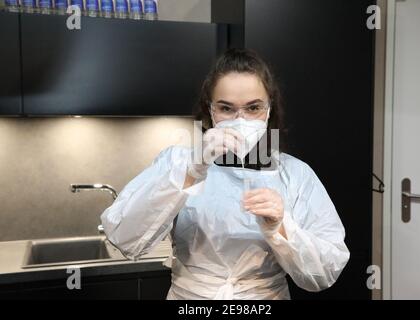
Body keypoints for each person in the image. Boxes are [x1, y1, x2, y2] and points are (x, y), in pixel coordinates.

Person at [101, 48, 350, 300]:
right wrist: (189, 171)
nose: (240, 119)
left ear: (269, 109)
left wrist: (282, 227)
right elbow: (124, 237)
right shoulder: (176, 161)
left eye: (253, 108)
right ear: (210, 110)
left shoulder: (296, 174)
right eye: (226, 108)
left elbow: (325, 272)